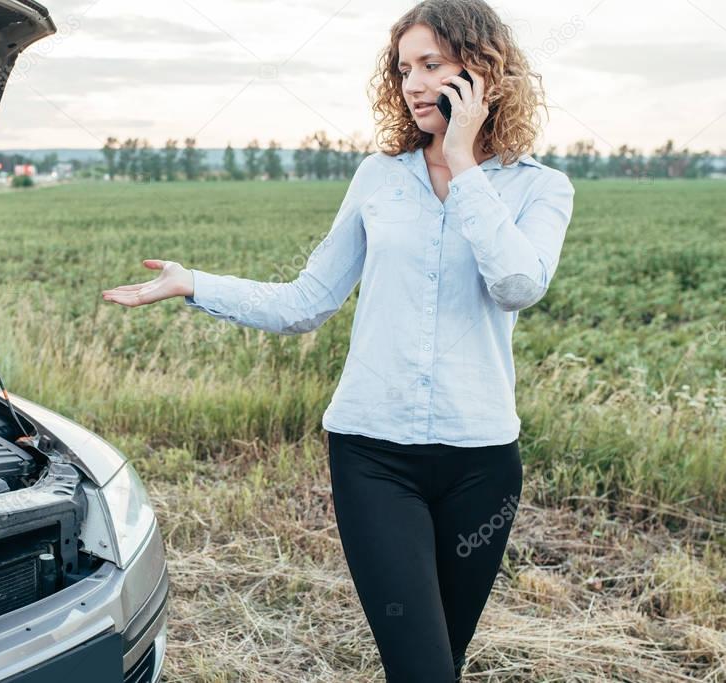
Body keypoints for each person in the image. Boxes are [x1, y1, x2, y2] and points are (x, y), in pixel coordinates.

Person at [101, 0, 575, 679]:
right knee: (421, 670)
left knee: (446, 658)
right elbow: (305, 302)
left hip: (482, 465)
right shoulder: (378, 178)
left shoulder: (540, 188)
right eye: (403, 67)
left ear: (485, 75)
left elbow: (517, 284)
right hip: (374, 458)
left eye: (431, 65)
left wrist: (464, 163)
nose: (412, 83)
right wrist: (192, 282)